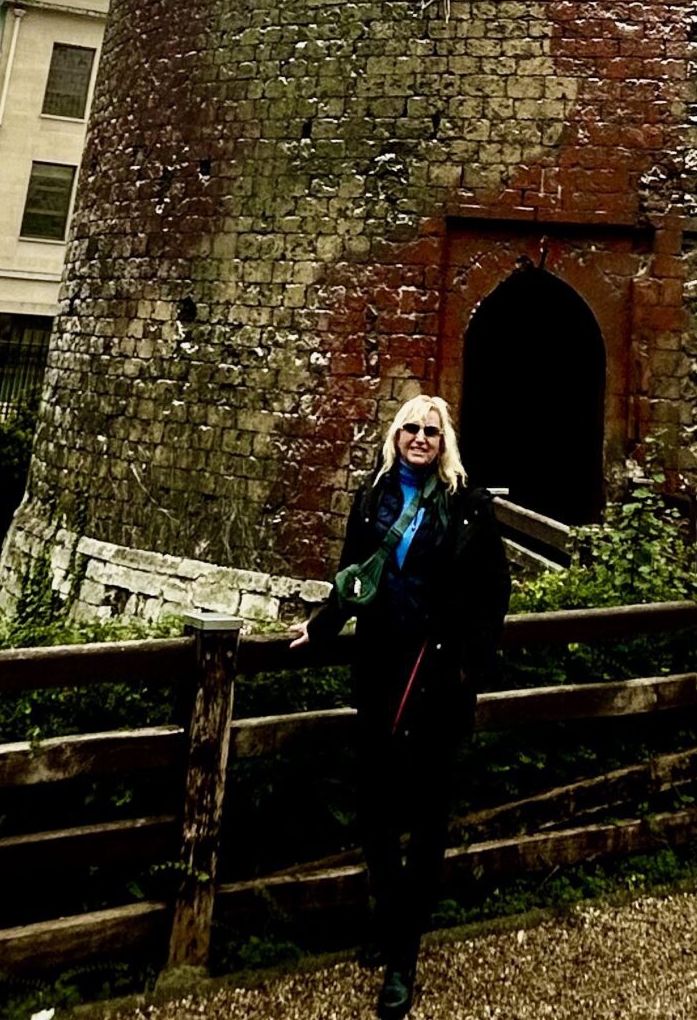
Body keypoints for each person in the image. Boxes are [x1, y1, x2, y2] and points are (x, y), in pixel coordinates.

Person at [290, 393, 510, 1017]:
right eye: (411, 428)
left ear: (445, 444)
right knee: (378, 810)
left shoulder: (468, 507)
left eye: (431, 432)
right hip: (382, 668)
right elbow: (356, 574)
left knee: (429, 814)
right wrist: (324, 625)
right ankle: (390, 919)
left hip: (437, 677)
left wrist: (472, 657)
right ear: (396, 435)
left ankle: (402, 957)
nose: (420, 438)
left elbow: (495, 590)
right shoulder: (372, 498)